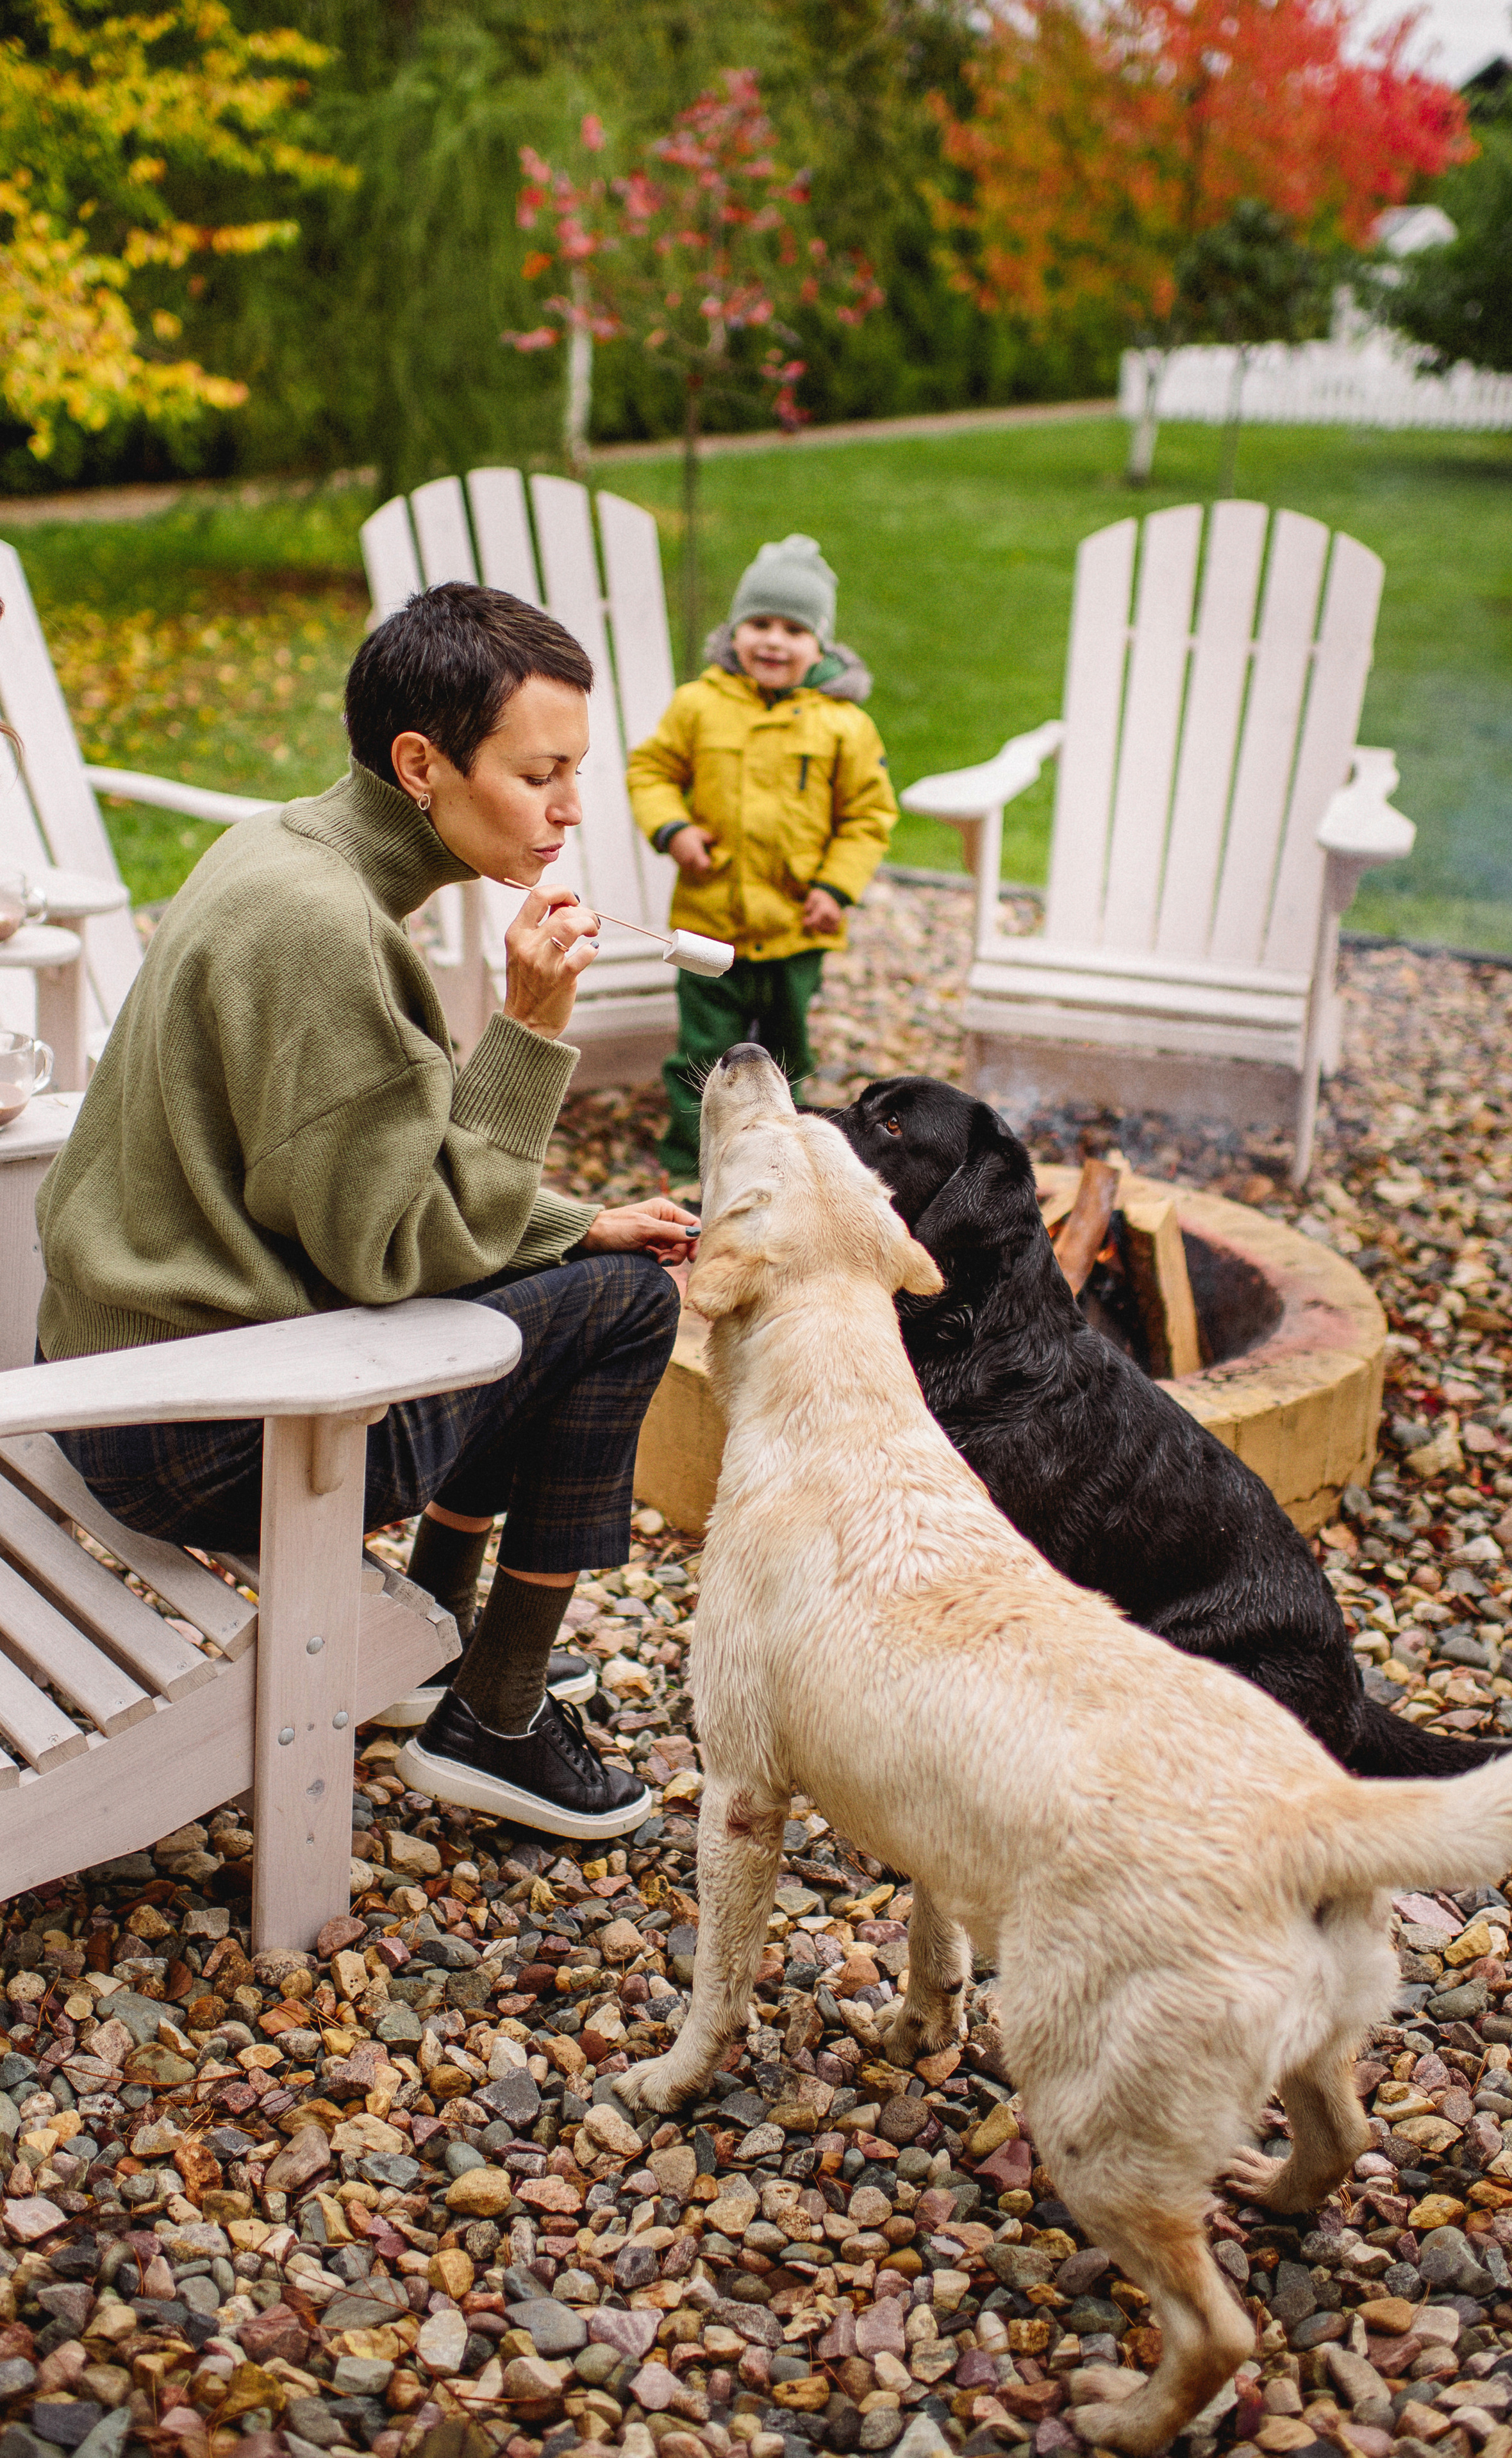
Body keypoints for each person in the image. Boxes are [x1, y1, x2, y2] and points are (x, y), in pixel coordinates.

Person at [36, 581, 697, 1840]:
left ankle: (428, 1646)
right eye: (540, 773)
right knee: (624, 1308)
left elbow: (350, 1170)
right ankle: (497, 1716)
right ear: (421, 764)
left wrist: (563, 1225)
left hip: (115, 1367)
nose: (570, 807)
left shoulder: (280, 849)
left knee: (582, 1270)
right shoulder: (330, 935)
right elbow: (398, 1251)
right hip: (203, 1433)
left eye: (576, 771)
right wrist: (530, 1030)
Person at [627, 533, 898, 1183]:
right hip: (709, 916)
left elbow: (868, 816)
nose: (774, 641)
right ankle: (692, 1160)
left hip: (795, 926)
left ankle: (780, 1155)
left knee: (784, 1049)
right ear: (734, 631)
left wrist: (835, 888)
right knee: (703, 1047)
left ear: (821, 645)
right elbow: (652, 770)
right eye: (759, 624)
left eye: (793, 630)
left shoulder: (844, 725)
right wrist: (674, 829)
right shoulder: (699, 705)